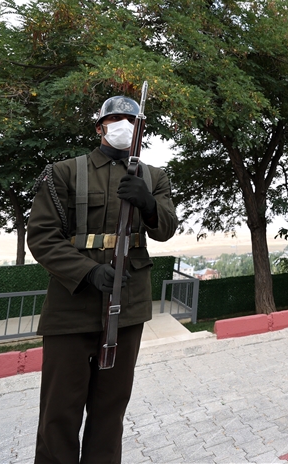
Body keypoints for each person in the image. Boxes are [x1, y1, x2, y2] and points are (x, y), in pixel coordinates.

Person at [26, 95, 178, 464]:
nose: (124, 124)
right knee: (59, 412)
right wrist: (88, 271)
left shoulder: (154, 177)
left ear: (139, 128)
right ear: (100, 126)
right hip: (72, 306)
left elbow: (167, 229)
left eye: (132, 119)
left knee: (110, 412)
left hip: (126, 306)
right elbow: (42, 236)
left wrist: (147, 203)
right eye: (116, 118)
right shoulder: (63, 172)